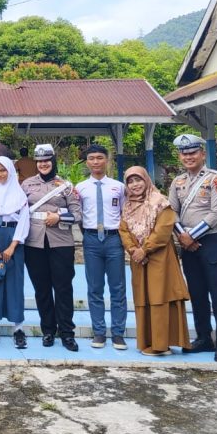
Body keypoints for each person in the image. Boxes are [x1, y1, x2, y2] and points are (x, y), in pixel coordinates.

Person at [169, 133, 217, 362]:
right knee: (196, 293)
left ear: (202, 154)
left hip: (211, 243)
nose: (188, 157)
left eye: (193, 153)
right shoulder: (178, 182)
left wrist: (191, 236)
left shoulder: (216, 179)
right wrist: (183, 236)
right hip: (188, 245)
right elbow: (172, 211)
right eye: (184, 154)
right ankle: (204, 337)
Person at [118, 166, 191, 356]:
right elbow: (123, 230)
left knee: (160, 296)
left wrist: (145, 249)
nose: (135, 185)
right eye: (130, 181)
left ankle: (162, 344)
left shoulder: (160, 202)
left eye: (138, 180)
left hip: (159, 257)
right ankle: (147, 342)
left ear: (147, 180)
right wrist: (133, 249)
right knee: (143, 297)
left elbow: (163, 230)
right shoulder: (127, 205)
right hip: (138, 259)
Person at [21, 144, 82, 351]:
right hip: (34, 243)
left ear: (53, 161)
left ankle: (67, 333)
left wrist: (59, 217)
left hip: (61, 242)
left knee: (63, 288)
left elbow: (78, 214)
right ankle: (48, 330)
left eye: (47, 160)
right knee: (42, 289)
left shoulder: (65, 186)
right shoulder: (27, 185)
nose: (43, 164)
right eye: (39, 161)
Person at [76, 144, 127, 350]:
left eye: (99, 158)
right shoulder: (80, 188)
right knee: (95, 288)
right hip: (91, 240)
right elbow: (79, 216)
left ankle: (117, 333)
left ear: (107, 160)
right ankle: (99, 332)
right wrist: (89, 234)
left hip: (114, 239)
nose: (95, 162)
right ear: (87, 162)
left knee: (118, 288)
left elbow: (125, 213)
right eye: (91, 158)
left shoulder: (118, 186)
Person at [0, 157, 30, 350]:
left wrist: (12, 246)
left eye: (3, 170)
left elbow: (24, 221)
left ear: (11, 171)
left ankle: (18, 328)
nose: (0, 174)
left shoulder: (20, 196)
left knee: (15, 282)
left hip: (14, 239)